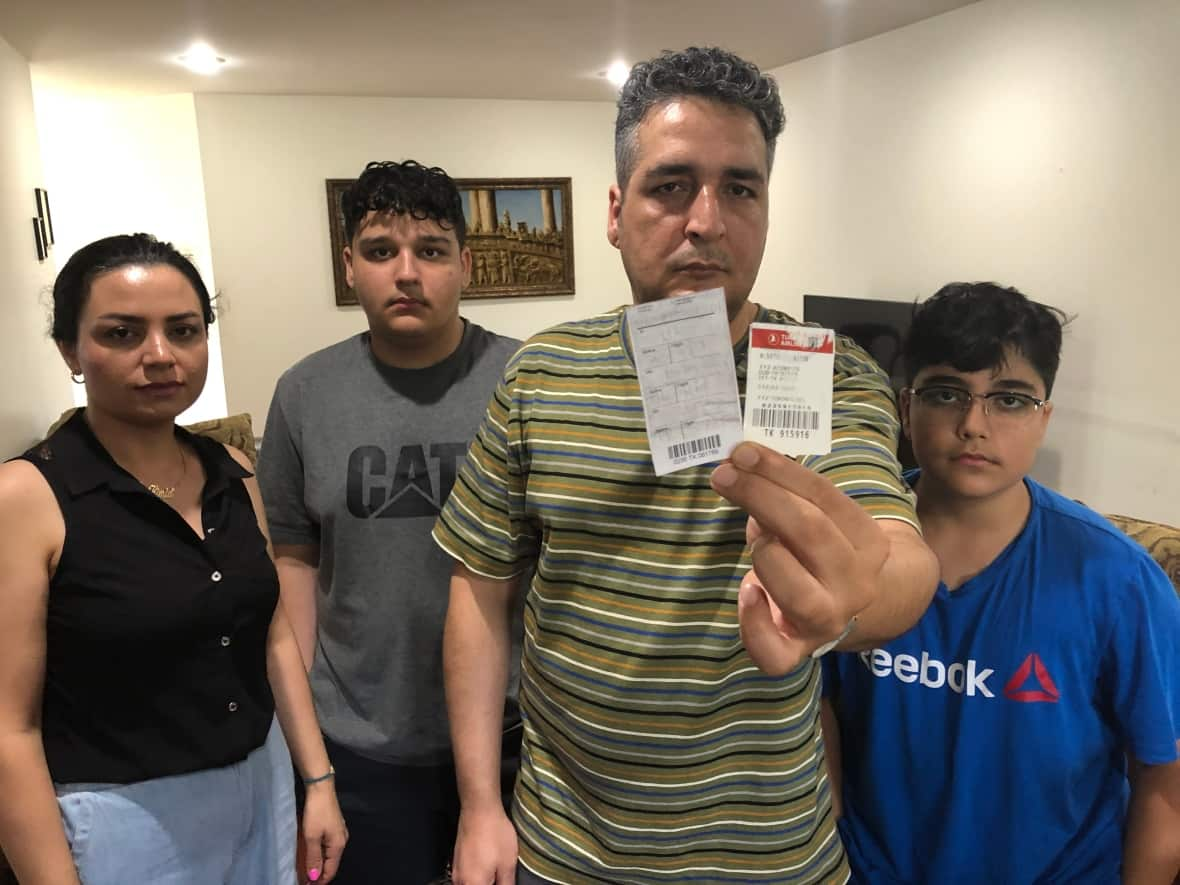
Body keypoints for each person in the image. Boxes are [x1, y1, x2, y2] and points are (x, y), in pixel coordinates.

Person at [433, 47, 939, 885]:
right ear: (614, 210)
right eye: (671, 186)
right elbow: (479, 594)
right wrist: (481, 803)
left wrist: (852, 599)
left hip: (770, 856)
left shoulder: (828, 370)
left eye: (740, 188)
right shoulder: (540, 373)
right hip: (565, 850)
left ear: (767, 210)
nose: (706, 220)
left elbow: (896, 548)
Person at [0, 233, 347, 884]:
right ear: (70, 349)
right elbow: (8, 729)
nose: (159, 355)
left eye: (183, 330)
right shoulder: (27, 497)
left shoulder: (235, 471)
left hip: (263, 783)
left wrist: (318, 780)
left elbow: (273, 636)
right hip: (125, 814)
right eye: (123, 333)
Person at [821, 282, 1180, 883]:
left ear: (1045, 418)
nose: (973, 425)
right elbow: (820, 706)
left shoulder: (1119, 580)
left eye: (1009, 400)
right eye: (946, 393)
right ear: (905, 408)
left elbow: (1163, 782)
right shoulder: (850, 544)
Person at [257, 160, 523, 884]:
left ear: (466, 264)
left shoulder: (524, 380)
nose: (407, 272)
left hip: (516, 734)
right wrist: (306, 754)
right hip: (359, 746)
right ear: (350, 267)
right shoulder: (304, 393)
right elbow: (295, 563)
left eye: (431, 251)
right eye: (380, 251)